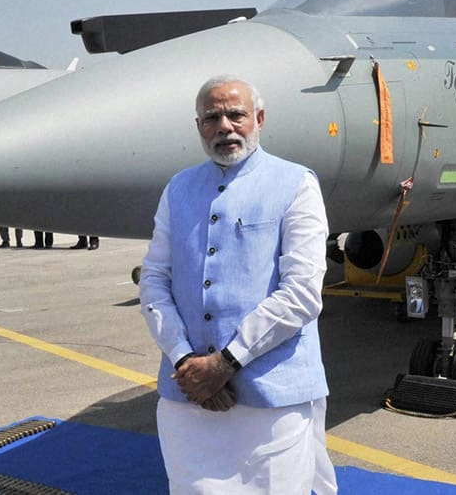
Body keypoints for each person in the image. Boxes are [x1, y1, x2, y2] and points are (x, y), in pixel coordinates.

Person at [139, 77, 336, 494]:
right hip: (189, 395)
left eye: (236, 115)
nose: (225, 126)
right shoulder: (178, 189)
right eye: (212, 117)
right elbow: (155, 280)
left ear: (259, 119)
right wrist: (184, 362)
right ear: (199, 127)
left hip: (272, 398)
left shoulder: (295, 183)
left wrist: (225, 363)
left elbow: (302, 292)